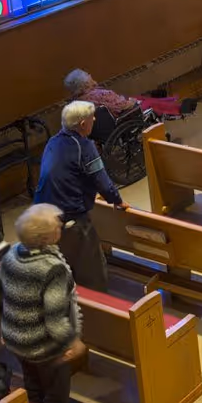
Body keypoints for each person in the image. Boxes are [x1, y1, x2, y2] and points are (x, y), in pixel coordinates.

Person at [0, 204, 85, 403]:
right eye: (56, 226)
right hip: (45, 347)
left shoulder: (12, 253)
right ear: (46, 237)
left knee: (33, 390)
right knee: (55, 401)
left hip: (17, 341)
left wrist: (5, 326)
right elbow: (55, 318)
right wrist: (73, 341)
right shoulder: (52, 269)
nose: (60, 227)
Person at [33, 101, 128, 291]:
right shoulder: (84, 146)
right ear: (83, 124)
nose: (94, 119)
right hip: (70, 216)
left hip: (42, 216)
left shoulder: (53, 141)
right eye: (91, 117)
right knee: (92, 270)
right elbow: (101, 180)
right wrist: (117, 200)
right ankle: (100, 311)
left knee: (60, 266)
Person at [63, 68, 186, 120]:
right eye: (87, 76)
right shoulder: (98, 94)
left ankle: (170, 101)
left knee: (141, 98)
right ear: (84, 84)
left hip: (114, 114)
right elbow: (121, 106)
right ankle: (177, 108)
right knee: (148, 103)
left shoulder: (78, 100)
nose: (90, 75)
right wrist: (131, 102)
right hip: (123, 114)